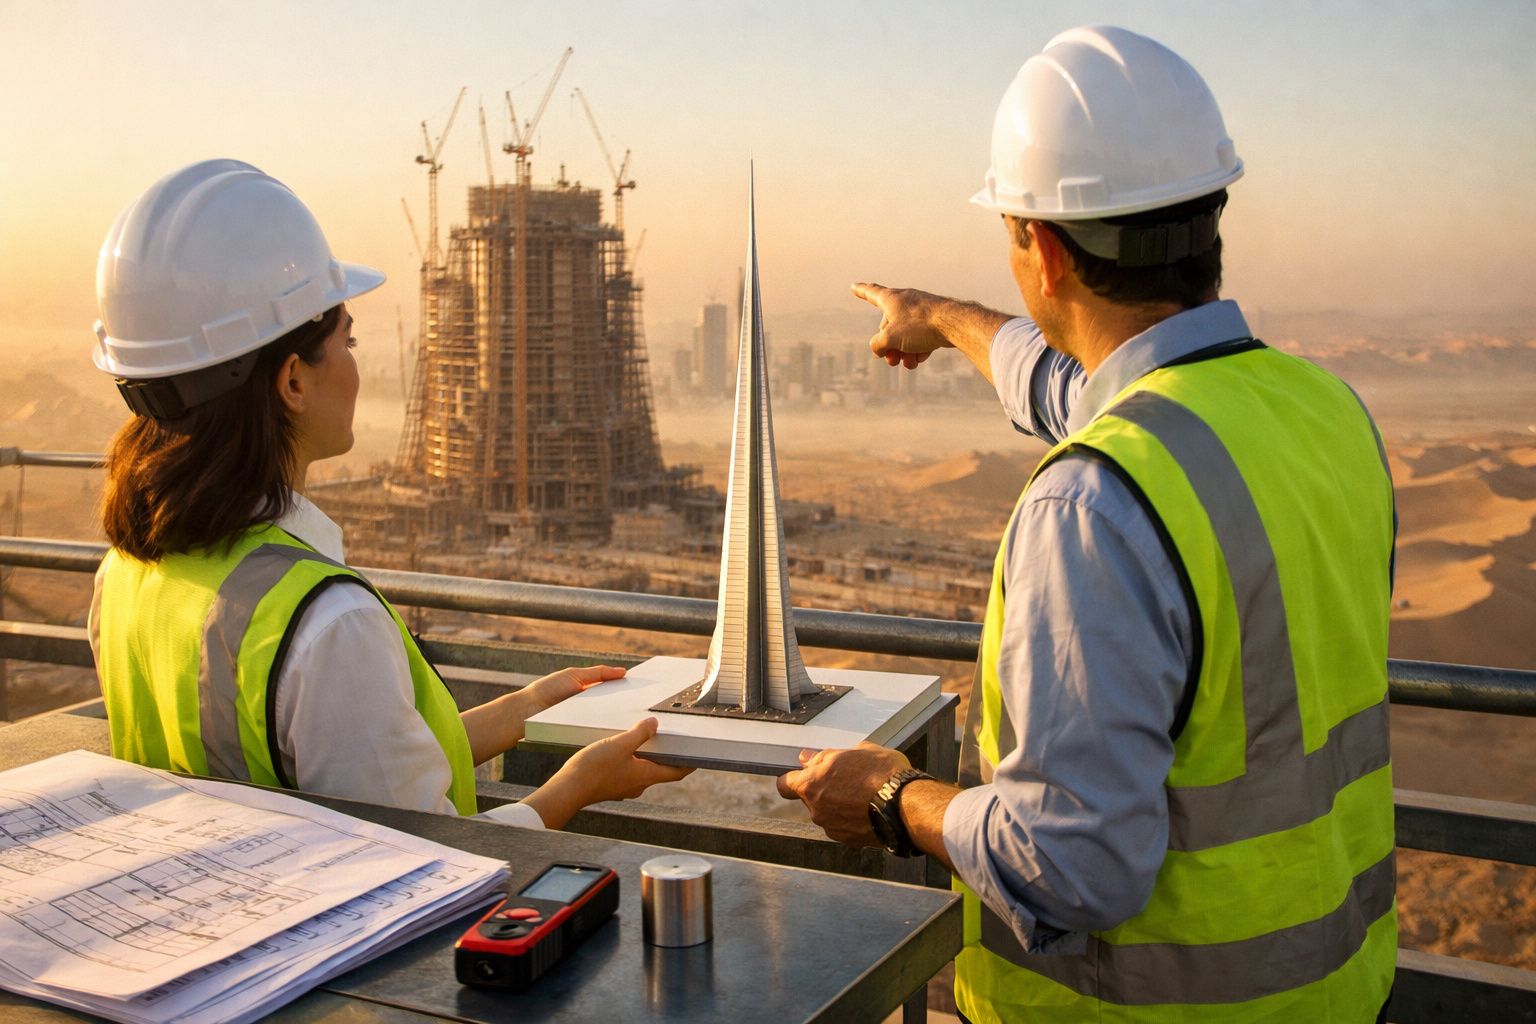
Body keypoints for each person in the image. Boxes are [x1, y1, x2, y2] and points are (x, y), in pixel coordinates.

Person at [777, 26, 1396, 1022]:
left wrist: (895, 799)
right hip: (1336, 994)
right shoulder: (1323, 414)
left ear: (1047, 251)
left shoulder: (1092, 501)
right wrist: (943, 316)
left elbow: (1072, 865)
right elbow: (1080, 389)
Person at [88, 158, 687, 830]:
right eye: (348, 340)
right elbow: (419, 863)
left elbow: (342, 767)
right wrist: (575, 787)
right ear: (292, 380)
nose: (356, 364)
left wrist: (524, 710)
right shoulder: (326, 622)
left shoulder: (123, 576)